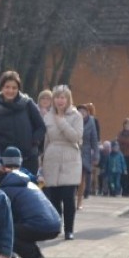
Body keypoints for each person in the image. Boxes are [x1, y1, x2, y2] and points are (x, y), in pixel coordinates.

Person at [0, 149, 61, 258]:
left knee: (6, 230)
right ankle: (35, 256)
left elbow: (7, 217)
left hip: (41, 225)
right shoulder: (29, 183)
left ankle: (32, 256)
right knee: (23, 229)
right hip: (55, 224)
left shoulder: (7, 189)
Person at [0, 71, 46, 175]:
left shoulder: (27, 104)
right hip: (4, 163)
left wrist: (33, 142)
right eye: (7, 87)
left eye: (14, 88)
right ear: (1, 88)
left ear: (18, 89)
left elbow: (41, 127)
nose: (10, 90)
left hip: (28, 160)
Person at [41, 85, 83, 240]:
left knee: (68, 196)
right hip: (52, 158)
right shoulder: (47, 117)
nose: (60, 100)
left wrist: (62, 122)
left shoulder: (76, 116)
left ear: (68, 99)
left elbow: (76, 137)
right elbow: (46, 139)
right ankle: (56, 227)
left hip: (70, 158)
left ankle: (69, 229)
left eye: (63, 97)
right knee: (54, 197)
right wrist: (42, 159)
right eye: (57, 97)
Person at [76, 104, 99, 210]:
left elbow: (94, 139)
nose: (82, 113)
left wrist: (96, 155)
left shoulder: (91, 122)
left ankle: (79, 201)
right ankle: (71, 199)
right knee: (71, 179)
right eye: (79, 111)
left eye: (84, 111)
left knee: (82, 178)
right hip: (73, 151)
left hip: (85, 153)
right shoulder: (72, 120)